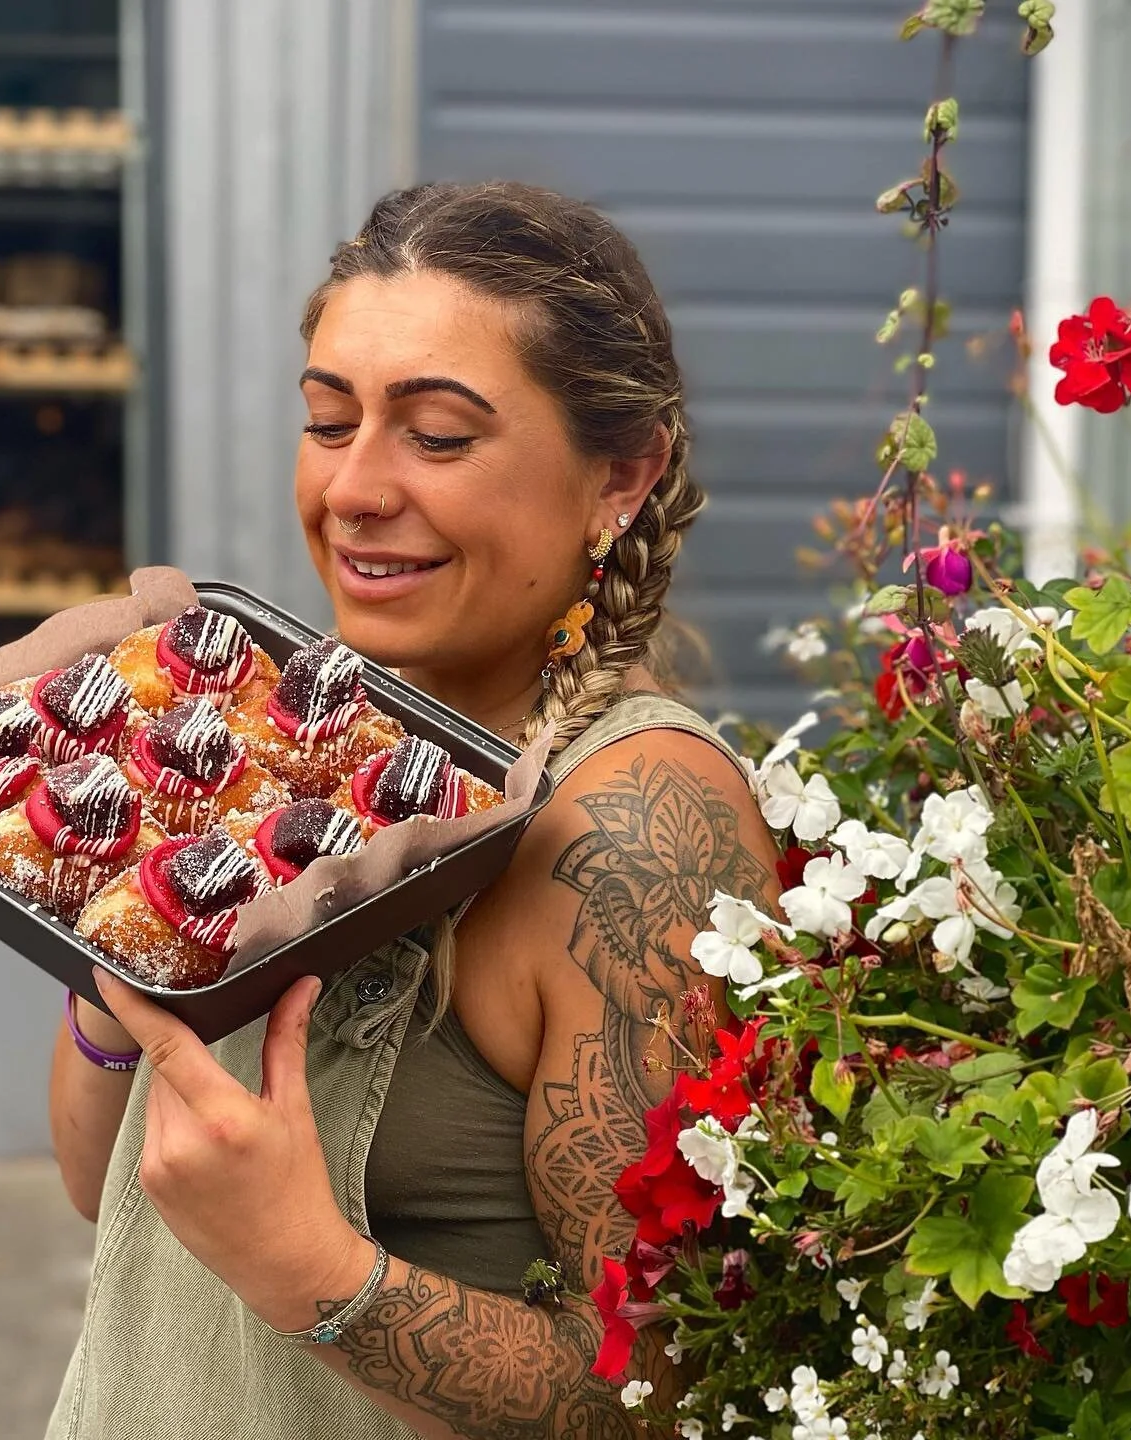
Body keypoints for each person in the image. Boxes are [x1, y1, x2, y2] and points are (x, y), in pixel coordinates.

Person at [46, 180, 781, 1440]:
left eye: (437, 436)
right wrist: (110, 946)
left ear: (623, 473)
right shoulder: (298, 733)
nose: (356, 489)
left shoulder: (631, 831)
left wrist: (310, 1270)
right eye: (331, 421)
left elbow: (677, 1394)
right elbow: (105, 1185)